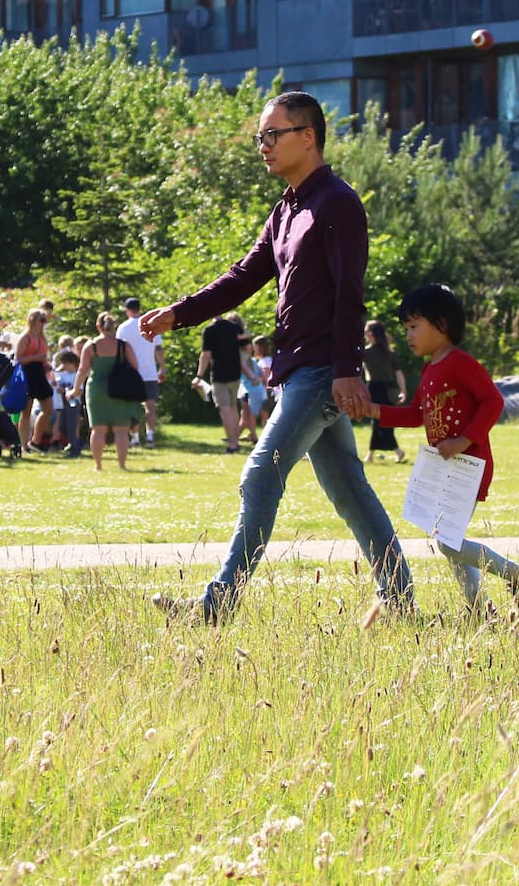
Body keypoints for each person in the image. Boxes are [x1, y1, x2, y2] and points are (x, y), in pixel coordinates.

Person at [142, 91, 414, 624]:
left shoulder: (337, 203)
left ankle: (216, 605)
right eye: (259, 137)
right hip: (298, 371)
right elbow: (244, 276)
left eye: (273, 135)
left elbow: (349, 294)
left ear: (307, 137)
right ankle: (401, 602)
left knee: (260, 474)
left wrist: (345, 370)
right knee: (350, 490)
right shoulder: (287, 208)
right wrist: (180, 313)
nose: (263, 146)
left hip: (320, 371)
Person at [367, 284, 519, 613]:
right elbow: (417, 415)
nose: (408, 336)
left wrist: (463, 440)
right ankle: (479, 610)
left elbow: (493, 402)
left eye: (413, 326)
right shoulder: (429, 369)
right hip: (445, 468)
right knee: (449, 541)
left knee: (448, 543)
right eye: (405, 329)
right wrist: (374, 411)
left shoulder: (460, 363)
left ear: (441, 324)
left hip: (469, 465)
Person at [79, 311, 141, 470]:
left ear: (98, 326)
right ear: (114, 327)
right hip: (120, 389)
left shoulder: (91, 346)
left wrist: (75, 388)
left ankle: (98, 465)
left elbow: (83, 369)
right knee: (121, 430)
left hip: (97, 389)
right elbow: (135, 366)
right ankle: (122, 465)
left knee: (98, 429)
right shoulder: (123, 345)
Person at [196, 313, 251, 454]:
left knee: (225, 409)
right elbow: (247, 348)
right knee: (233, 408)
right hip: (235, 373)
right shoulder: (234, 327)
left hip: (219, 374)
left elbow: (206, 355)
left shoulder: (209, 330)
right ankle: (235, 442)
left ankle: (232, 445)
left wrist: (199, 376)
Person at [118, 296, 166, 445]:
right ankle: (150, 436)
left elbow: (120, 351)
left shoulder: (123, 328)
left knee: (133, 406)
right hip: (149, 371)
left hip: (131, 373)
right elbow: (159, 349)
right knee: (150, 406)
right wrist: (162, 368)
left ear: (127, 310)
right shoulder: (151, 325)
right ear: (140, 309)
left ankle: (135, 437)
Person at [361, 320, 408, 463]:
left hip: (374, 388)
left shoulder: (365, 352)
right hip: (389, 389)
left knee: (378, 421)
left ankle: (396, 451)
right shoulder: (389, 352)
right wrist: (403, 391)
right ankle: (372, 454)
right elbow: (399, 373)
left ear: (370, 333)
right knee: (383, 420)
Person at [15, 307, 56, 451]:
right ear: (33, 320)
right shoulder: (25, 337)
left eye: (45, 320)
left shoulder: (42, 338)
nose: (43, 323)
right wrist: (35, 358)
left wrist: (46, 364)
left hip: (39, 373)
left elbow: (43, 356)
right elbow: (18, 359)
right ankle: (24, 445)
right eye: (41, 320)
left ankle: (35, 440)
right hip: (27, 373)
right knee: (26, 411)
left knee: (48, 409)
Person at [53, 348, 84, 456]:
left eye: (65, 363)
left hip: (74, 403)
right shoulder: (63, 375)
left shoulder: (77, 375)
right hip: (63, 403)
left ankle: (74, 446)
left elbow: (80, 390)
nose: (63, 366)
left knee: (72, 425)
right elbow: (57, 384)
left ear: (72, 363)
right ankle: (72, 443)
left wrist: (70, 393)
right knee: (62, 425)